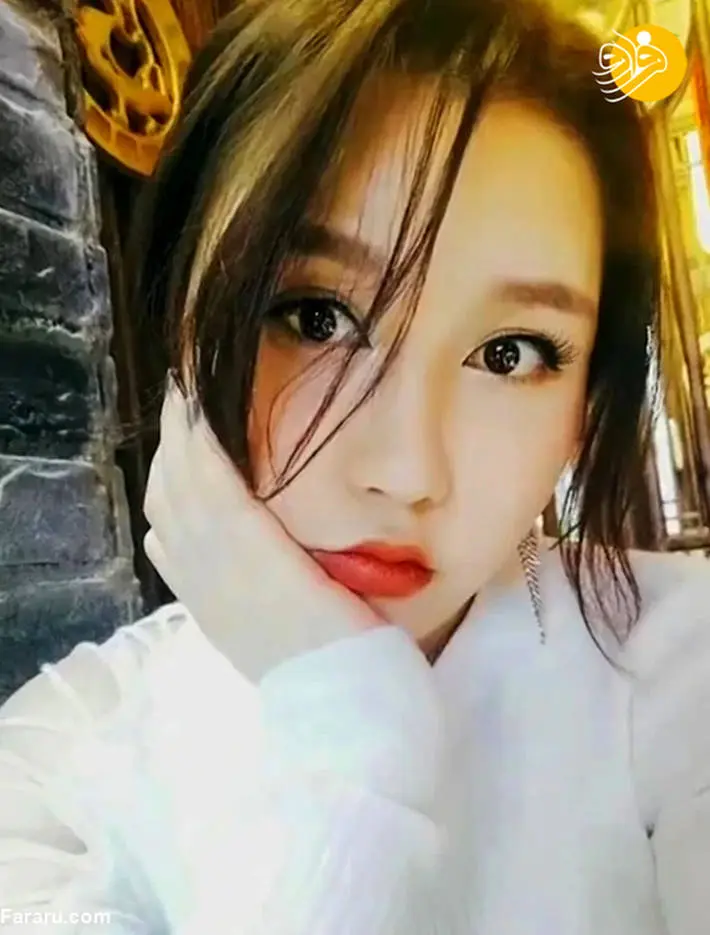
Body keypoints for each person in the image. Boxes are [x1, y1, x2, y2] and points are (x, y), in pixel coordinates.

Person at [1, 0, 709, 932]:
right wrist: (351, 725)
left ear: (585, 406)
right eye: (316, 317)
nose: (407, 471)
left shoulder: (681, 656)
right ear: (183, 321)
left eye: (510, 353)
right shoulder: (60, 758)